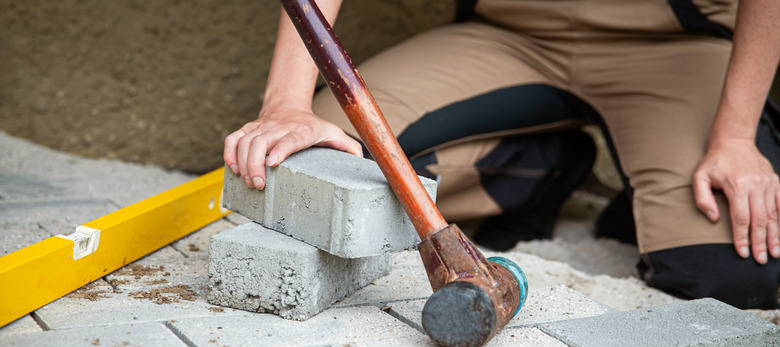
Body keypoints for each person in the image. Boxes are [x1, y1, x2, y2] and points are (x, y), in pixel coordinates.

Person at [224, 0, 780, 310]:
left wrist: (735, 136)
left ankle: (650, 188)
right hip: (507, 31)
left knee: (738, 274)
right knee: (309, 165)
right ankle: (537, 170)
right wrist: (285, 104)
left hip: (673, 41)